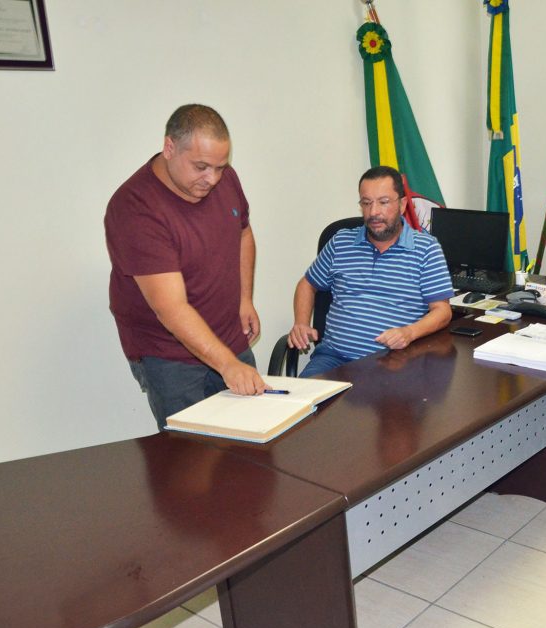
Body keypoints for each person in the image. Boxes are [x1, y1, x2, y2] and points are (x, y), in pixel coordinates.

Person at [105, 104, 265, 430]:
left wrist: (244, 299)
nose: (213, 179)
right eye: (201, 167)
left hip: (228, 338)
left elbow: (243, 233)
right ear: (169, 148)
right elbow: (171, 309)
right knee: (190, 455)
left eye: (220, 167)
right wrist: (228, 365)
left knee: (251, 445)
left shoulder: (224, 179)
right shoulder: (136, 208)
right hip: (169, 356)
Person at [288, 166, 454, 377]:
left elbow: (442, 311)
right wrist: (301, 323)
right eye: (366, 203)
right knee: (306, 396)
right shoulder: (341, 242)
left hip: (393, 361)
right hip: (333, 360)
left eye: (383, 202)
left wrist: (409, 332)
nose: (374, 212)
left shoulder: (426, 249)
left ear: (402, 204)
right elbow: (307, 284)